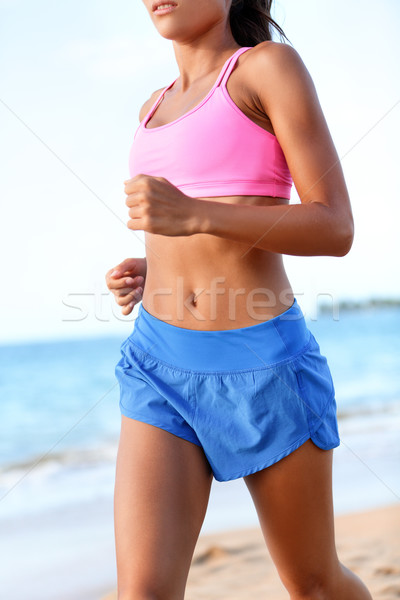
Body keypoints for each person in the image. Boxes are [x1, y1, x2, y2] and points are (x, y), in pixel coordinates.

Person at [105, 1, 373, 598]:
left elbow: (335, 226)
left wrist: (194, 216)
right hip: (157, 363)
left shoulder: (265, 69)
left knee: (314, 584)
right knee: (142, 592)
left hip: (264, 366)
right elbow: (206, 228)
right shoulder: (150, 106)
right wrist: (160, 268)